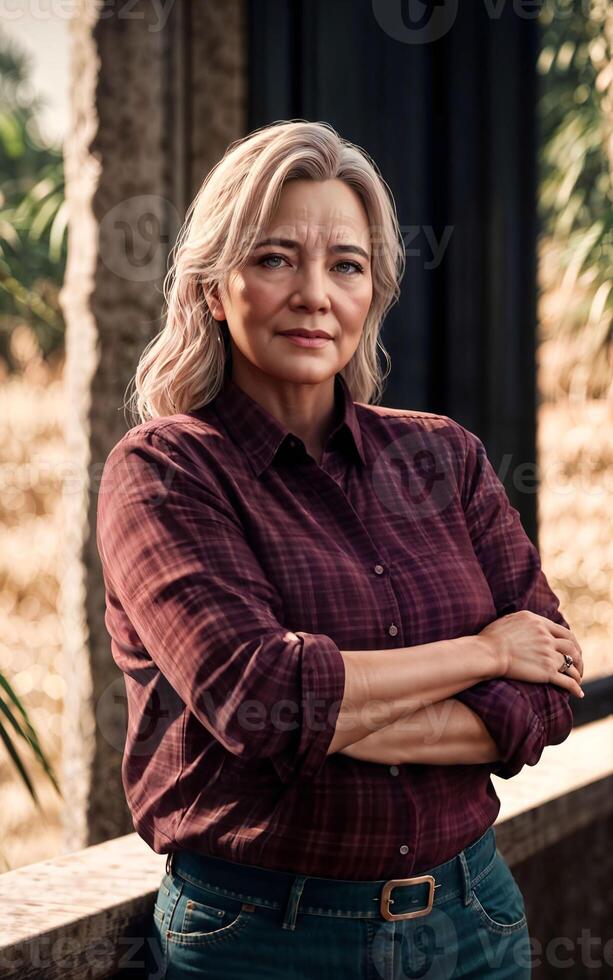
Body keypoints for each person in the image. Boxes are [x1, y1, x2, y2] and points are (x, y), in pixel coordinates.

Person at [96, 119, 585, 979]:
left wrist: (332, 718)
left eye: (346, 266)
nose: (314, 294)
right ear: (215, 288)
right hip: (261, 939)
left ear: (373, 292)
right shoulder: (164, 473)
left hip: (471, 921)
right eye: (275, 258)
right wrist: (482, 651)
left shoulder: (446, 456)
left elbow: (545, 698)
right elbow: (259, 699)